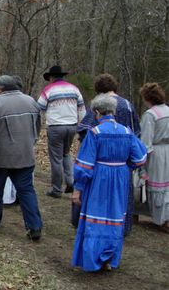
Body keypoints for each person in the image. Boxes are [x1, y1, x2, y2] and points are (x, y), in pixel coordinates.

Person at [71, 94, 146, 272]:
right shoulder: (127, 132)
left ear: (97, 112)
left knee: (96, 216)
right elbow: (141, 158)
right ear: (112, 111)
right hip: (120, 178)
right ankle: (108, 259)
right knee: (114, 216)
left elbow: (85, 165)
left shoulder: (96, 132)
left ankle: (93, 259)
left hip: (99, 178)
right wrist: (123, 165)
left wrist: (78, 189)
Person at [76, 74, 141, 236]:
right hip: (123, 163)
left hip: (100, 162)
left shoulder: (99, 104)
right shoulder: (127, 104)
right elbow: (136, 133)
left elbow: (86, 132)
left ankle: (96, 229)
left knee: (98, 198)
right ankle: (122, 227)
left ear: (98, 89)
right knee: (121, 196)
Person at [0, 75, 43, 240]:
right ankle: (34, 226)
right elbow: (38, 126)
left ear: (0, 88)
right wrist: (31, 142)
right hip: (25, 154)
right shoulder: (31, 101)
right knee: (26, 190)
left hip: (2, 157)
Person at [38, 65, 86, 198]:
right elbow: (82, 110)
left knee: (56, 158)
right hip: (72, 126)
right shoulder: (74, 89)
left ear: (52, 78)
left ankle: (56, 188)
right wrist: (81, 127)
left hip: (56, 127)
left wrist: (39, 124)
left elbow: (39, 108)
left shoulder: (48, 89)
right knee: (65, 153)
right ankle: (70, 181)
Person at [139, 83, 169, 232]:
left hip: (156, 154)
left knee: (157, 184)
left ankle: (161, 219)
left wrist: (141, 160)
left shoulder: (150, 115)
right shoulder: (168, 110)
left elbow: (146, 141)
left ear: (148, 98)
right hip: (167, 151)